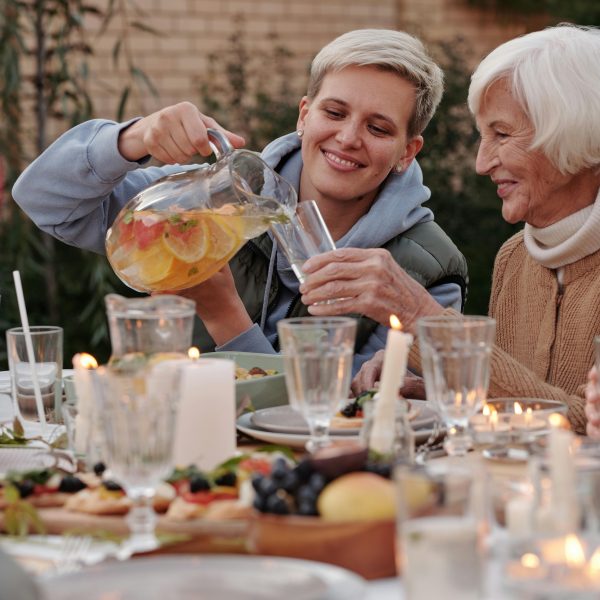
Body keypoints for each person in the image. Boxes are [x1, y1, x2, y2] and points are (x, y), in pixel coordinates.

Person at [12, 29, 467, 376]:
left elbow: (344, 417)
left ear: (408, 152)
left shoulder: (429, 276)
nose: (348, 138)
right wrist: (132, 139)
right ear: (305, 115)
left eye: (379, 128)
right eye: (335, 112)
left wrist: (224, 316)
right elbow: (44, 200)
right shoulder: (211, 201)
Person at [299, 24, 600, 433]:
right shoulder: (517, 257)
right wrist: (439, 386)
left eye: (502, 134)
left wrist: (420, 316)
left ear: (574, 133)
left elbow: (585, 429)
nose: (482, 163)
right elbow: (517, 399)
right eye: (483, 136)